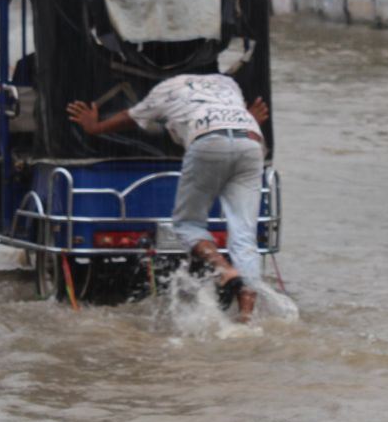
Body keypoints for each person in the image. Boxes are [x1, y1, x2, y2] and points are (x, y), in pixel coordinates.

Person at [67, 73, 271, 322]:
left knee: (188, 224)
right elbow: (229, 117)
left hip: (208, 140)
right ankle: (246, 315)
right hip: (251, 141)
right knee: (244, 233)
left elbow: (128, 118)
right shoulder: (229, 84)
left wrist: (94, 127)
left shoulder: (166, 90)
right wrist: (249, 118)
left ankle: (223, 268)